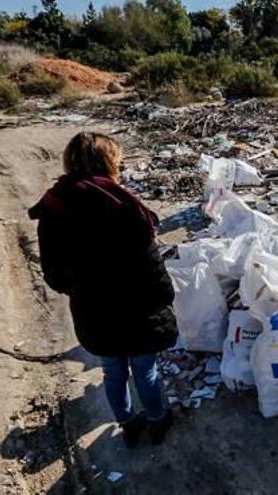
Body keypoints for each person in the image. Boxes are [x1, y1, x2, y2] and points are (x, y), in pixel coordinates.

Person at [28, 132, 177, 447]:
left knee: (112, 372)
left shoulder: (54, 208)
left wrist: (83, 289)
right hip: (138, 310)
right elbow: (152, 267)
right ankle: (158, 420)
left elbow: (54, 275)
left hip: (93, 311)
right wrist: (164, 300)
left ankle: (128, 423)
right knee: (145, 371)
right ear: (108, 162)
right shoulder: (123, 205)